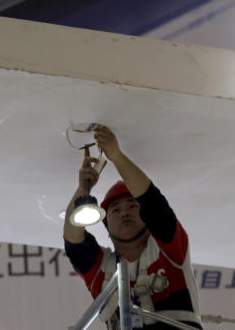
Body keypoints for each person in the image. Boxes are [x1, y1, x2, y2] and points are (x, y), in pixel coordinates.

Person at [63, 125, 201, 330]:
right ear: (106, 224)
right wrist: (84, 188)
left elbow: (154, 204)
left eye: (132, 206)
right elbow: (73, 240)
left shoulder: (169, 251)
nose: (124, 213)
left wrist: (116, 156)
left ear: (145, 215)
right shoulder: (102, 270)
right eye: (115, 210)